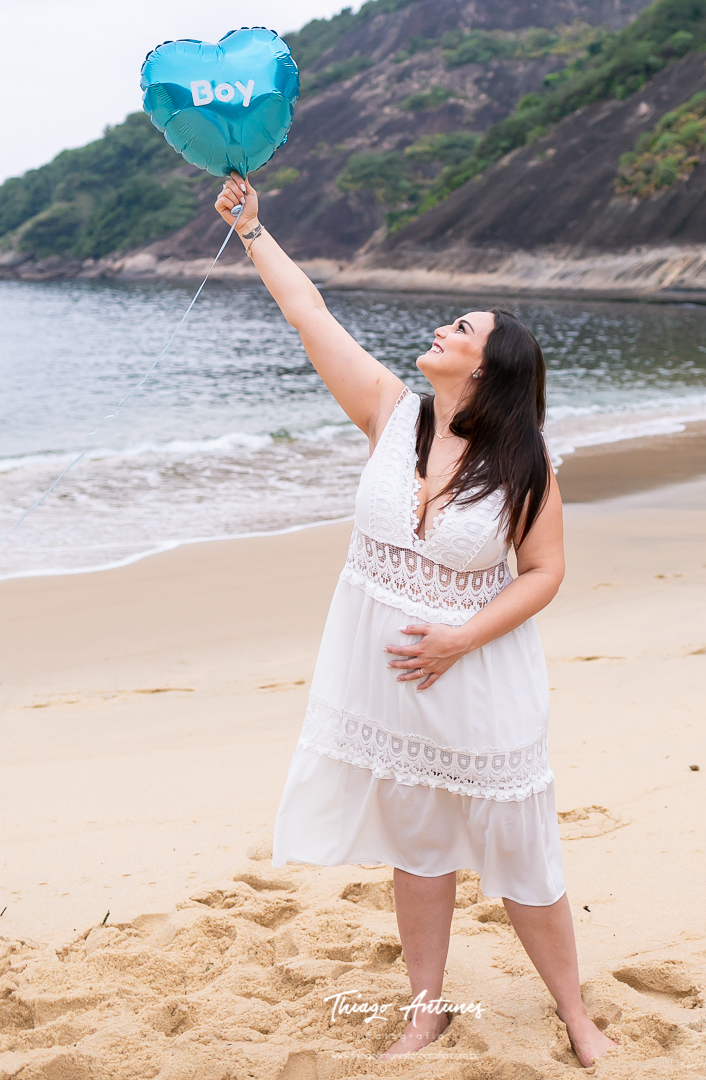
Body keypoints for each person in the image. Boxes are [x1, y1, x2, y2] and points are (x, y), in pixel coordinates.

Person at [215, 173, 618, 1068]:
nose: (445, 327)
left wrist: (460, 639)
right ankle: (426, 1007)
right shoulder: (390, 414)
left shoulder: (524, 464)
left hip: (478, 675)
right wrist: (252, 230)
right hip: (390, 678)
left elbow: (546, 571)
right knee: (421, 845)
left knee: (521, 849)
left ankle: (576, 1013)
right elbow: (307, 312)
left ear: (489, 367)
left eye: (464, 328)